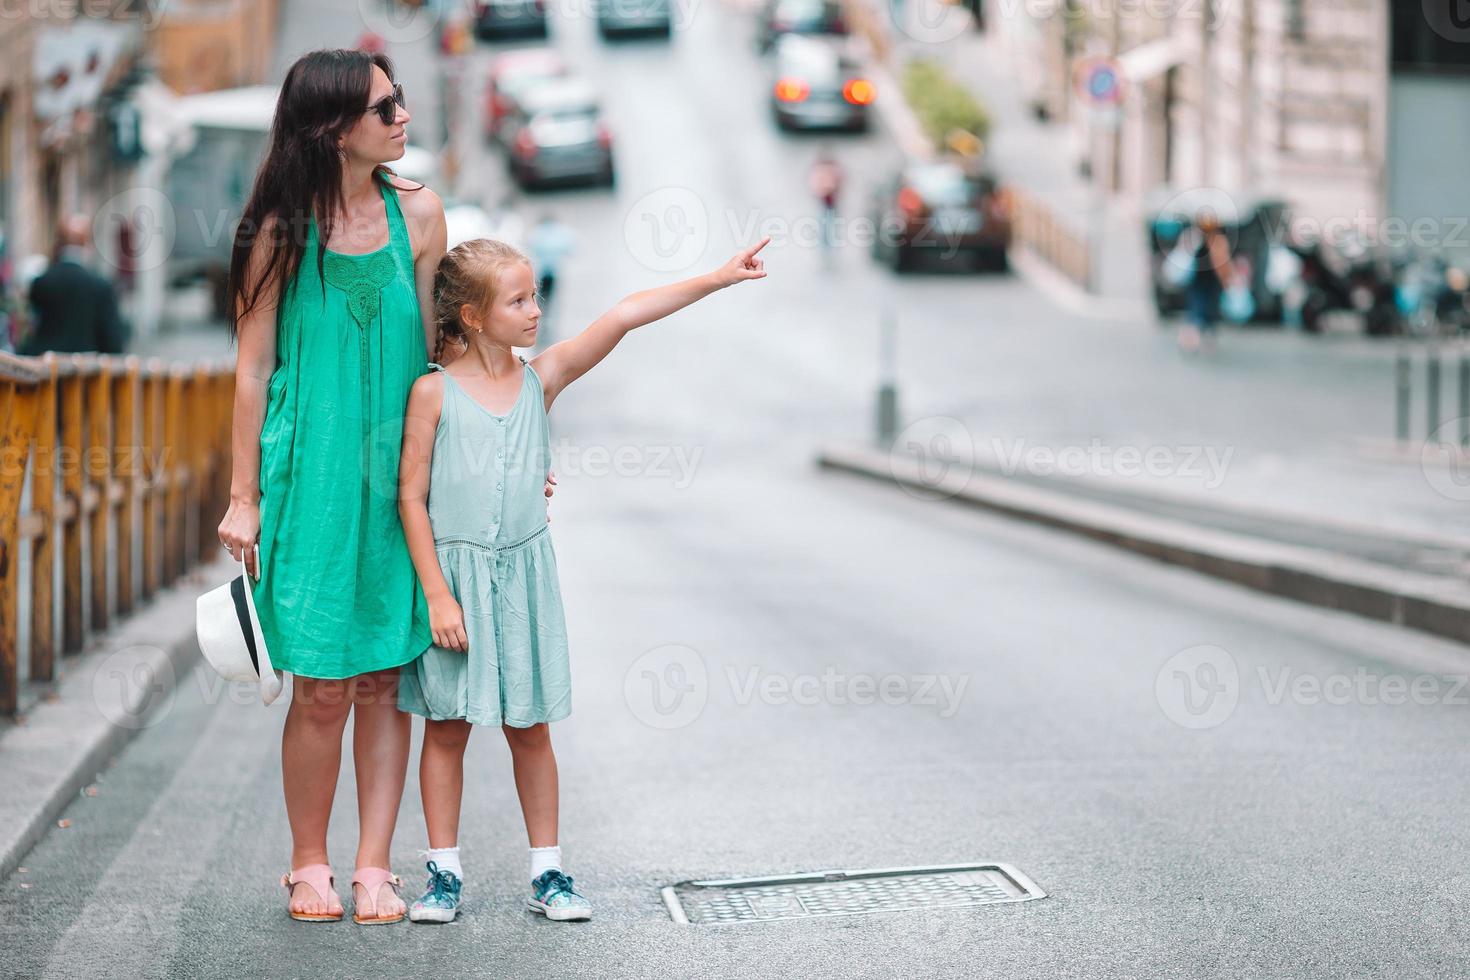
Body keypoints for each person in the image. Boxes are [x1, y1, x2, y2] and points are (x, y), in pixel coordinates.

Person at [215, 48, 553, 926]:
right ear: (333, 129)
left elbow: (453, 351)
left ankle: (374, 865)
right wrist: (244, 495)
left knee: (383, 681)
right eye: (384, 106)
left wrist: (503, 449)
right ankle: (308, 863)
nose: (402, 116)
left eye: (399, 101)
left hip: (405, 481)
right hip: (312, 479)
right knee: (321, 683)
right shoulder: (278, 233)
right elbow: (252, 371)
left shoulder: (422, 216)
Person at [395, 233, 770, 924]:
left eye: (534, 295)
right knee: (446, 729)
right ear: (474, 316)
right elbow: (410, 498)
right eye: (518, 300)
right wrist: (437, 594)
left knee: (530, 728)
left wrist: (718, 278)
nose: (535, 310)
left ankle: (549, 871)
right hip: (455, 586)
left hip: (524, 581)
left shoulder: (542, 378)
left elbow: (624, 314)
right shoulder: (432, 394)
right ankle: (443, 875)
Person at [20, 215, 128, 355]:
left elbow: (29, 327)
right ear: (87, 243)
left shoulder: (42, 283)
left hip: (46, 367)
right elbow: (112, 341)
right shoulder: (100, 286)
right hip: (87, 372)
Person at [1177, 208, 1234, 353]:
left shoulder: (1199, 237)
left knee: (1199, 309)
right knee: (1203, 309)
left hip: (1204, 281)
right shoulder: (1212, 239)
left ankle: (1197, 337)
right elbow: (1223, 264)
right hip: (1205, 281)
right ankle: (1199, 337)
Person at [808, 149, 844, 268]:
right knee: (825, 225)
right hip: (826, 205)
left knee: (828, 225)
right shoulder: (825, 171)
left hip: (830, 204)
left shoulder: (829, 171)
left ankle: (828, 244)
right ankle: (827, 244)